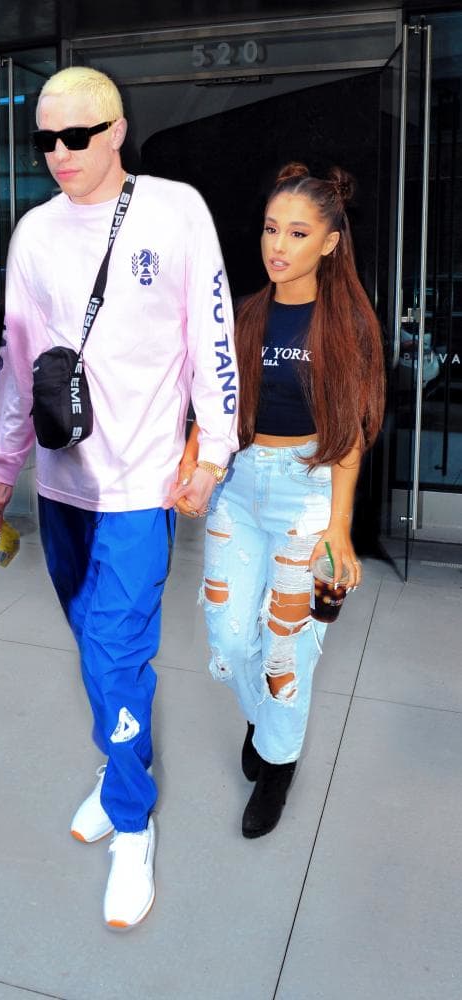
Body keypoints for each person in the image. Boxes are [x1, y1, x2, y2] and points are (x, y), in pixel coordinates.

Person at [0, 66, 239, 929]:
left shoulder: (176, 210)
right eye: (44, 139)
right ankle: (117, 761)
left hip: (141, 486)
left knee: (118, 655)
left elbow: (214, 336)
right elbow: (17, 360)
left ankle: (133, 823)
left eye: (75, 137)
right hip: (61, 487)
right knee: (95, 651)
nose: (58, 154)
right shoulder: (34, 232)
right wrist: (3, 466)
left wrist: (214, 449)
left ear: (117, 131)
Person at [172, 162, 385, 839]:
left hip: (308, 490)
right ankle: (266, 722)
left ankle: (278, 761)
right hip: (240, 484)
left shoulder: (344, 320)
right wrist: (194, 463)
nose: (278, 245)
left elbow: (349, 432)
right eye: (271, 229)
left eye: (297, 233)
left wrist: (341, 529)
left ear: (328, 242)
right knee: (232, 638)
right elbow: (216, 401)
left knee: (285, 648)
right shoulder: (249, 312)